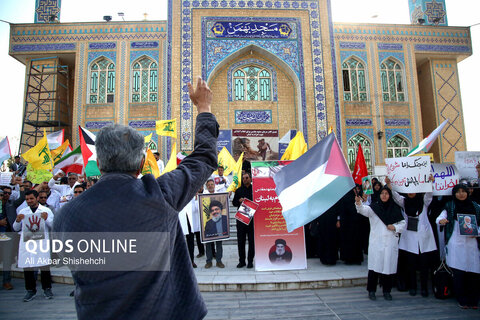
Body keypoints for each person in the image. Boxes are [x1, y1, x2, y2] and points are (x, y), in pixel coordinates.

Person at [53, 76, 217, 319]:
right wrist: (204, 108)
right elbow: (203, 158)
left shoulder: (67, 215)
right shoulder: (159, 196)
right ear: (142, 164)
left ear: (98, 164)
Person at [386, 176, 437, 297]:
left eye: (413, 190)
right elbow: (396, 196)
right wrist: (390, 185)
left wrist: (430, 182)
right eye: (408, 190)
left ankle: (424, 288)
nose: (411, 193)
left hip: (423, 238)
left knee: (424, 265)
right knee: (411, 265)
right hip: (410, 238)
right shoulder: (405, 202)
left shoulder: (423, 202)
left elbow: (429, 195)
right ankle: (413, 287)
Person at [355, 186, 406, 301]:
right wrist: (358, 202)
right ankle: (371, 291)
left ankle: (387, 291)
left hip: (390, 242)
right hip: (376, 243)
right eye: (382, 193)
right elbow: (362, 210)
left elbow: (403, 224)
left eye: (386, 193)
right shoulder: (374, 208)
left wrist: (395, 227)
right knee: (374, 268)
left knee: (387, 268)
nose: (384, 195)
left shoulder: (395, 209)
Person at [437, 184, 480, 309]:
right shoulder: (450, 206)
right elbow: (440, 218)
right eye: (458, 192)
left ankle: (473, 300)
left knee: (474, 273)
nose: (461, 194)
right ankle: (462, 299)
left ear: (468, 192)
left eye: (463, 191)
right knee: (459, 274)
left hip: (472, 244)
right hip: (456, 243)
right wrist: (441, 221)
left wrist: (477, 232)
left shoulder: (476, 207)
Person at [13, 190, 54, 302]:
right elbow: (16, 228)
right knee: (28, 267)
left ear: (37, 198)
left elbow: (53, 225)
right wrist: (17, 221)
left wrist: (47, 219)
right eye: (27, 199)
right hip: (27, 242)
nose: (29, 201)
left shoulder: (46, 210)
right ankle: (30, 290)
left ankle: (47, 288)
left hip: (41, 242)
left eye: (31, 198)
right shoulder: (22, 211)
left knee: (44, 266)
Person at [0, 179, 25, 290]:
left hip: (8, 236)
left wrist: (21, 185)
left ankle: (6, 281)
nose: (5, 195)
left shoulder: (11, 204)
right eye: (3, 193)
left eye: (8, 193)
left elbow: (22, 197)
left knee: (7, 259)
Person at [232, 172, 254, 268]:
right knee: (241, 241)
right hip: (241, 219)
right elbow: (234, 203)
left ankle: (250, 261)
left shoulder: (255, 189)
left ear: (250, 178)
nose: (245, 180)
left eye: (246, 178)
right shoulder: (239, 190)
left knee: (251, 241)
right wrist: (239, 201)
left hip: (252, 220)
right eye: (243, 178)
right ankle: (242, 261)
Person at [203, 200, 227, 268]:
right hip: (210, 237)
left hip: (220, 235)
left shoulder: (225, 219)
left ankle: (219, 261)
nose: (215, 212)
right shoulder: (208, 223)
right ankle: (209, 262)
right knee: (208, 245)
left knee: (219, 245)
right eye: (212, 210)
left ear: (221, 210)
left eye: (216, 209)